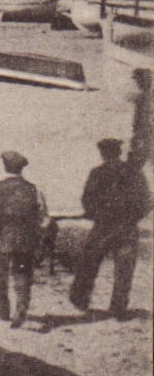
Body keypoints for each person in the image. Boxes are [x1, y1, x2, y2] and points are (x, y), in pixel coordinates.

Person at [70, 137, 151, 320]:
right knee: (124, 270)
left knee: (89, 263)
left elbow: (87, 199)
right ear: (119, 152)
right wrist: (133, 218)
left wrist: (94, 214)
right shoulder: (134, 173)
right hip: (127, 228)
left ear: (103, 153)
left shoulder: (97, 173)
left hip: (103, 227)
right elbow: (147, 201)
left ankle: (80, 301)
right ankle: (118, 308)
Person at [0, 150, 48, 329]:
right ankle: (20, 312)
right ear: (21, 168)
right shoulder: (34, 188)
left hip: (2, 238)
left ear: (5, 166)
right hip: (25, 240)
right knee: (22, 276)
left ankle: (4, 312)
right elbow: (43, 217)